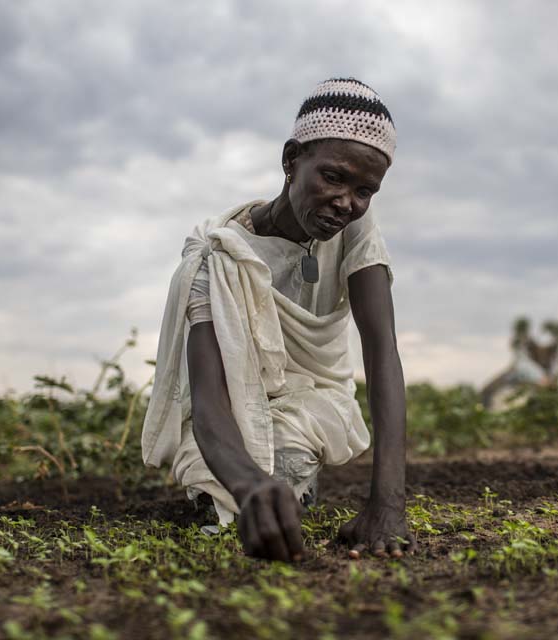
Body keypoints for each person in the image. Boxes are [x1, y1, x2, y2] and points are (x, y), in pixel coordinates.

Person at [142, 78, 414, 562]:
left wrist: (388, 503)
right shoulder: (219, 254)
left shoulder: (355, 232)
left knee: (284, 466)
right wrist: (247, 486)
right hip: (229, 411)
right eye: (333, 177)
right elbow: (208, 399)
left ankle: (293, 479)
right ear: (291, 160)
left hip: (314, 400)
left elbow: (381, 350)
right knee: (219, 491)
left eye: (365, 190)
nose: (347, 202)